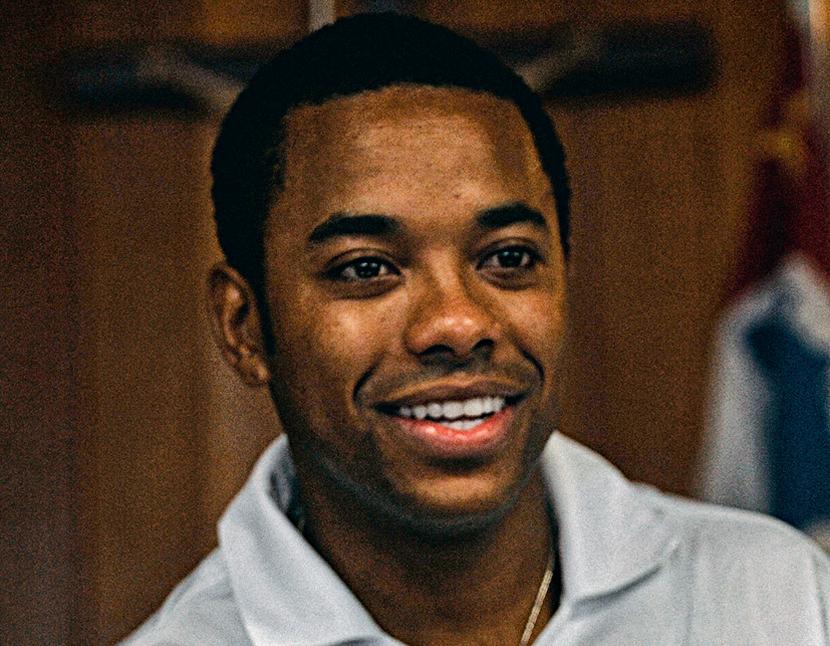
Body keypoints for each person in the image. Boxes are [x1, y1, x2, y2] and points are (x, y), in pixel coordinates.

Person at [124, 13, 830, 645]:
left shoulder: (784, 600)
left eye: (509, 258)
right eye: (366, 268)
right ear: (244, 327)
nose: (459, 323)